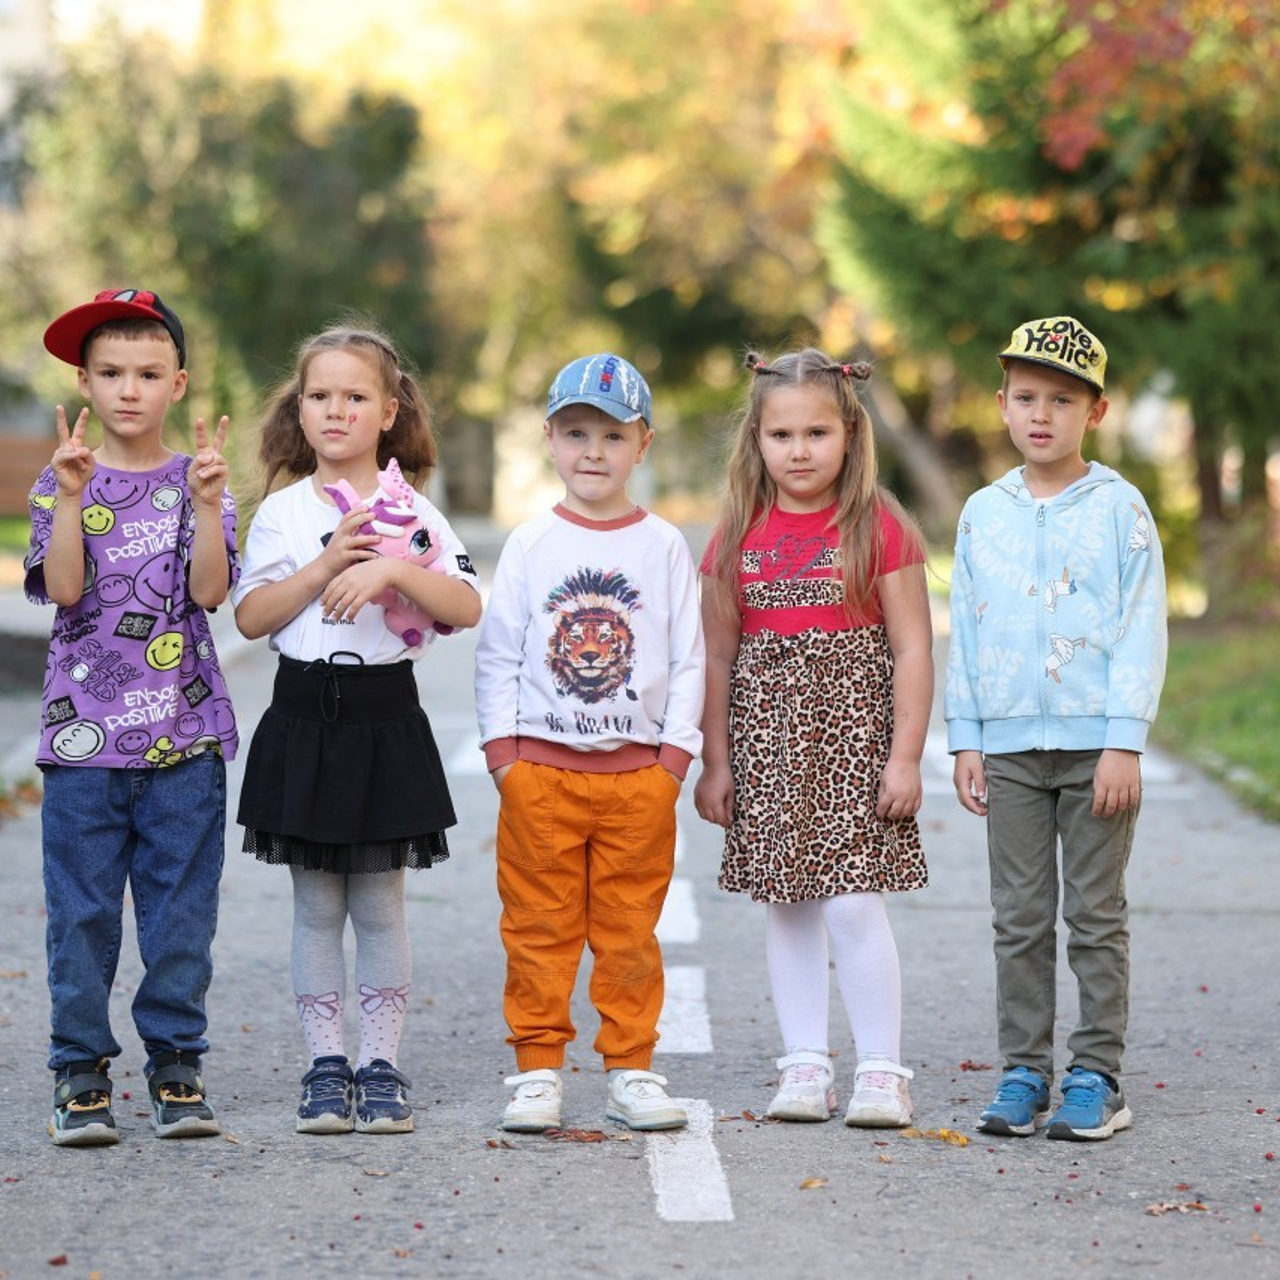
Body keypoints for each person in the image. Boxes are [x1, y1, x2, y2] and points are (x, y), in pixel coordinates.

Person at [233, 323, 481, 1135]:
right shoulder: (281, 512)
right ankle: (324, 1066)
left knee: (378, 905)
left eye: (354, 396)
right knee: (314, 908)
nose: (334, 410)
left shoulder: (416, 512)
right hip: (305, 715)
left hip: (386, 718)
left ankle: (380, 1065)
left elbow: (465, 606)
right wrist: (328, 563)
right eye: (318, 395)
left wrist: (394, 568)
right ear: (297, 410)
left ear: (388, 410)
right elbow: (250, 616)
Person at [695, 348, 932, 1128]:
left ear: (850, 434)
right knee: (787, 906)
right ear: (755, 440)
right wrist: (716, 762)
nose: (800, 451)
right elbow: (720, 655)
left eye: (817, 433)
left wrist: (905, 758)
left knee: (854, 907)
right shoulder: (737, 534)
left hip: (855, 748)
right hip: (768, 746)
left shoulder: (879, 526)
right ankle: (803, 1066)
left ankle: (880, 1072)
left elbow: (911, 650)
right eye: (782, 434)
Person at [26, 287, 239, 1145]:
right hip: (83, 745)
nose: (128, 390)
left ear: (178, 385)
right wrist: (73, 496)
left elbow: (211, 594)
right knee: (80, 915)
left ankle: (177, 1066)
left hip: (184, 745)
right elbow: (66, 590)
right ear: (84, 382)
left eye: (148, 373)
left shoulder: (200, 480)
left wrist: (211, 505)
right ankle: (80, 1074)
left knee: (180, 918)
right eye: (110, 373)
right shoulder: (58, 481)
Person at [947, 315, 1167, 1141]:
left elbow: (1145, 625)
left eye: (1063, 400)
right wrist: (965, 733)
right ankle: (1023, 1070)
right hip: (1006, 747)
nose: (1043, 414)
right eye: (1027, 397)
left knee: (1095, 914)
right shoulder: (981, 512)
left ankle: (1096, 1074)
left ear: (1095, 412)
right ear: (1002, 404)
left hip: (1093, 749)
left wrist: (1124, 738)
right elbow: (964, 626)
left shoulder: (1120, 509)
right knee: (1020, 913)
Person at [474, 353, 704, 1133]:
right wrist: (503, 755)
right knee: (538, 925)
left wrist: (674, 759)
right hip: (540, 771)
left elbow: (688, 655)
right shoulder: (533, 543)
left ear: (643, 444)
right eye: (577, 433)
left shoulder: (664, 545)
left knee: (630, 931)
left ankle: (631, 1067)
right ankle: (537, 1068)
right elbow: (500, 651)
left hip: (638, 779)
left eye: (612, 435)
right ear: (549, 438)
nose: (594, 452)